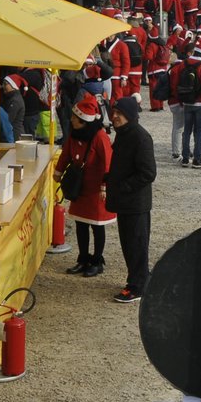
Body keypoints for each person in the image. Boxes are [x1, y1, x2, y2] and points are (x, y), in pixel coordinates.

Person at [105, 96, 157, 305]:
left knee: (136, 244)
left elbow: (148, 173)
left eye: (119, 113)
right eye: (114, 112)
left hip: (135, 203)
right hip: (124, 201)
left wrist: (123, 187)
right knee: (129, 244)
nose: (115, 116)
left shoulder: (140, 137)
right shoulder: (123, 134)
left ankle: (137, 286)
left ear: (130, 115)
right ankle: (139, 278)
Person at [58, 92, 115, 277]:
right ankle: (82, 259)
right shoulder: (74, 134)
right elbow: (66, 153)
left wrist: (105, 185)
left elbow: (108, 162)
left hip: (96, 188)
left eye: (75, 118)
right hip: (79, 187)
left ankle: (97, 260)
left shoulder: (100, 137)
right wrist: (58, 172)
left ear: (84, 120)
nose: (71, 120)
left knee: (97, 226)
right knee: (81, 224)